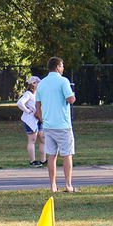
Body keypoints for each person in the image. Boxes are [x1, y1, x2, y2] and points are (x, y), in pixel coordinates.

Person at [35, 57, 77, 193]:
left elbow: (37, 104)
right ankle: (68, 185)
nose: (63, 68)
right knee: (67, 154)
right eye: (62, 65)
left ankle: (53, 185)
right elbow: (70, 99)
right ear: (58, 67)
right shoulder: (63, 81)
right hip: (63, 124)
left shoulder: (41, 83)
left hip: (48, 125)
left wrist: (42, 119)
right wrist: (73, 96)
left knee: (51, 155)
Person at [17, 76, 45, 167]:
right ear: (32, 84)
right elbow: (20, 103)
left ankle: (43, 159)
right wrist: (28, 110)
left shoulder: (38, 94)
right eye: (37, 83)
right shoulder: (28, 94)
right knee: (32, 139)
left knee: (43, 138)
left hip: (38, 119)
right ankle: (33, 161)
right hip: (30, 119)